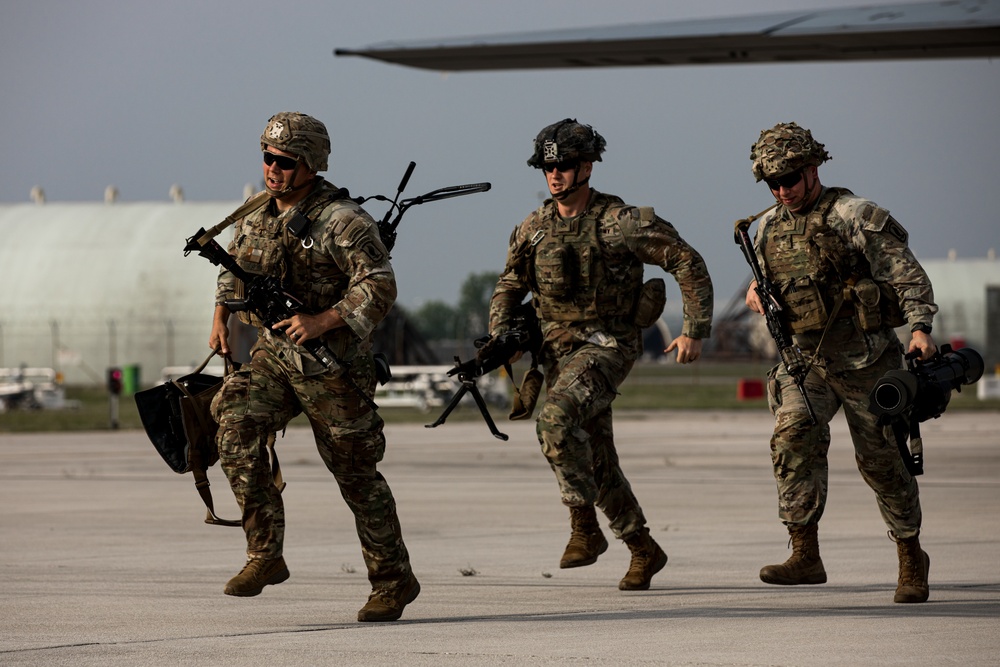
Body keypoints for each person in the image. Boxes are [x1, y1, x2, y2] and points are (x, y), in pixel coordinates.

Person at [208, 112, 419, 622]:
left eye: (284, 161)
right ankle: (265, 554)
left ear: (310, 164)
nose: (272, 169)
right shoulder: (254, 215)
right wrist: (219, 316)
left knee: (355, 473)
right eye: (267, 158)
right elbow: (236, 270)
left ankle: (393, 581)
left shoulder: (342, 220)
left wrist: (324, 320)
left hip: (334, 366)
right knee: (233, 425)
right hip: (275, 358)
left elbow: (378, 285)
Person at [488, 119, 714, 590]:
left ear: (587, 166)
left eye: (565, 165)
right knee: (596, 459)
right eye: (547, 166)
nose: (555, 175)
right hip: (558, 353)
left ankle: (584, 528)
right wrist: (500, 338)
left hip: (608, 346)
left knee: (554, 422)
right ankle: (643, 549)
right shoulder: (532, 229)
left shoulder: (622, 221)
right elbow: (509, 286)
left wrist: (694, 329)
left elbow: (686, 262)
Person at [743, 122, 937, 603]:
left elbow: (906, 273)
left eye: (790, 178)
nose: (783, 189)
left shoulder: (854, 215)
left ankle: (911, 553)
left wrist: (920, 330)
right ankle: (804, 552)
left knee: (882, 461)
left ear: (812, 170)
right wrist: (755, 296)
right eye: (774, 183)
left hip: (868, 360)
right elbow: (764, 285)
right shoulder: (766, 227)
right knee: (792, 436)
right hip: (806, 362)